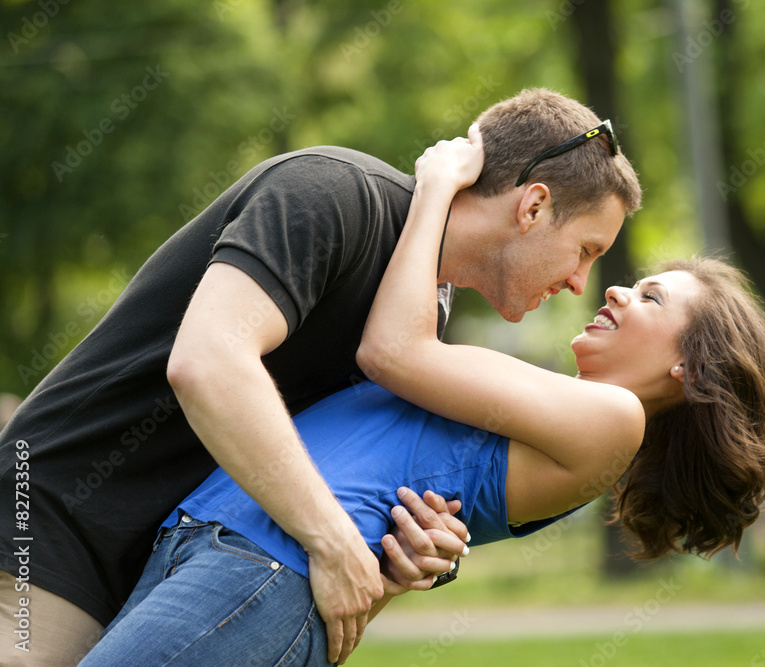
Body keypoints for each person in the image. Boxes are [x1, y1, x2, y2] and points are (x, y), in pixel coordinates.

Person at [78, 127, 765, 665]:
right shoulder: (552, 407)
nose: (609, 288)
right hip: (217, 541)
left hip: (269, 568)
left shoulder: (613, 420)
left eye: (650, 297)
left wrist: (435, 190)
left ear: (690, 371)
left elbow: (393, 352)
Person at [0, 89, 643, 666]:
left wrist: (413, 549)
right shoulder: (333, 193)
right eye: (586, 249)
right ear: (532, 206)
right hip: (48, 527)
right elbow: (208, 362)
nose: (579, 284)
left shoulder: (420, 310)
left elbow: (340, 457)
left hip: (163, 567)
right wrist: (333, 541)